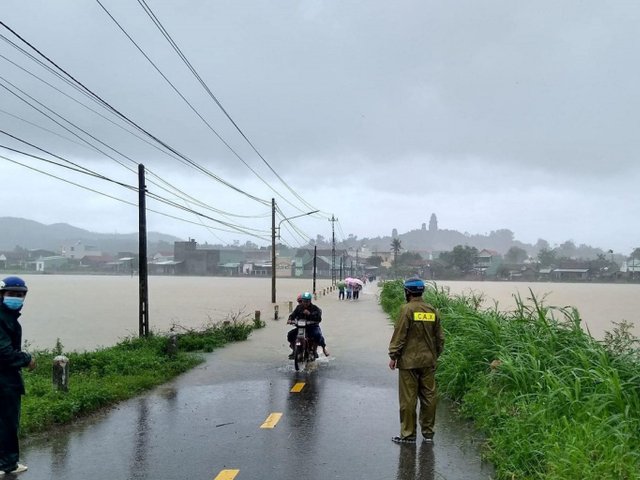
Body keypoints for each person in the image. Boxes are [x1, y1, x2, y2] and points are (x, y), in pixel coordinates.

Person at [388, 278, 444, 445]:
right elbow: (440, 338)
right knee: (429, 397)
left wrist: (393, 356)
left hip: (409, 362)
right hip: (428, 361)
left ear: (408, 292)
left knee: (408, 399)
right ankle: (428, 433)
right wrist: (434, 355)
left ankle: (408, 435)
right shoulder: (432, 310)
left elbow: (400, 335)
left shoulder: (407, 310)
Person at [0, 276, 36, 475]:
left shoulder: (9, 317)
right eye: (12, 294)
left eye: (20, 295)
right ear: (1, 295)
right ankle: (7, 464)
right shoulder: (2, 319)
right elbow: (4, 353)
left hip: (6, 377)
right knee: (7, 422)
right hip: (4, 380)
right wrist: (26, 359)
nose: (16, 298)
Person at [287, 292, 329, 358]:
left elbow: (319, 318)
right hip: (301, 327)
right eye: (304, 301)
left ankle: (314, 350)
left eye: (307, 301)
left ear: (310, 301)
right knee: (290, 334)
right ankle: (294, 350)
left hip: (311, 327)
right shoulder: (299, 308)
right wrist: (290, 320)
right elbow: (293, 315)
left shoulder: (314, 308)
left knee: (317, 335)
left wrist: (310, 314)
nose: (305, 303)